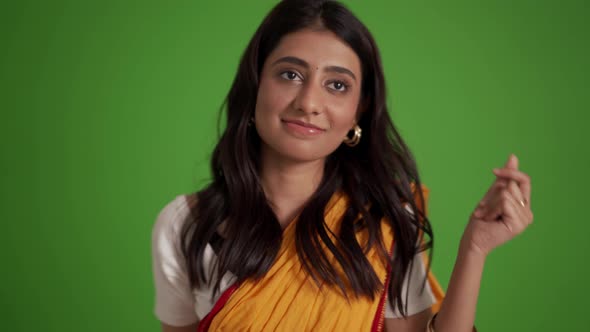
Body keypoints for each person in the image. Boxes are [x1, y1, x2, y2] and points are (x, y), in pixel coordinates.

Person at [151, 1, 534, 331]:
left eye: (336, 85)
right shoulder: (185, 224)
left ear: (358, 111)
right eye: (290, 75)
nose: (309, 102)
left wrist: (475, 248)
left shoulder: (383, 222)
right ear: (255, 85)